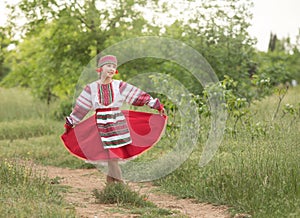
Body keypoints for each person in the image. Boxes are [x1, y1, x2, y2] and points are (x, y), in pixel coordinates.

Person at [61, 55, 167, 184]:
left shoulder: (119, 85)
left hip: (117, 124)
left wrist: (154, 104)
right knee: (111, 158)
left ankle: (117, 187)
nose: (111, 69)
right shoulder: (91, 88)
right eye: (108, 66)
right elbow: (81, 107)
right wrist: (72, 121)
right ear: (101, 68)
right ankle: (116, 188)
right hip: (100, 125)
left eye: (114, 66)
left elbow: (137, 95)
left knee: (113, 158)